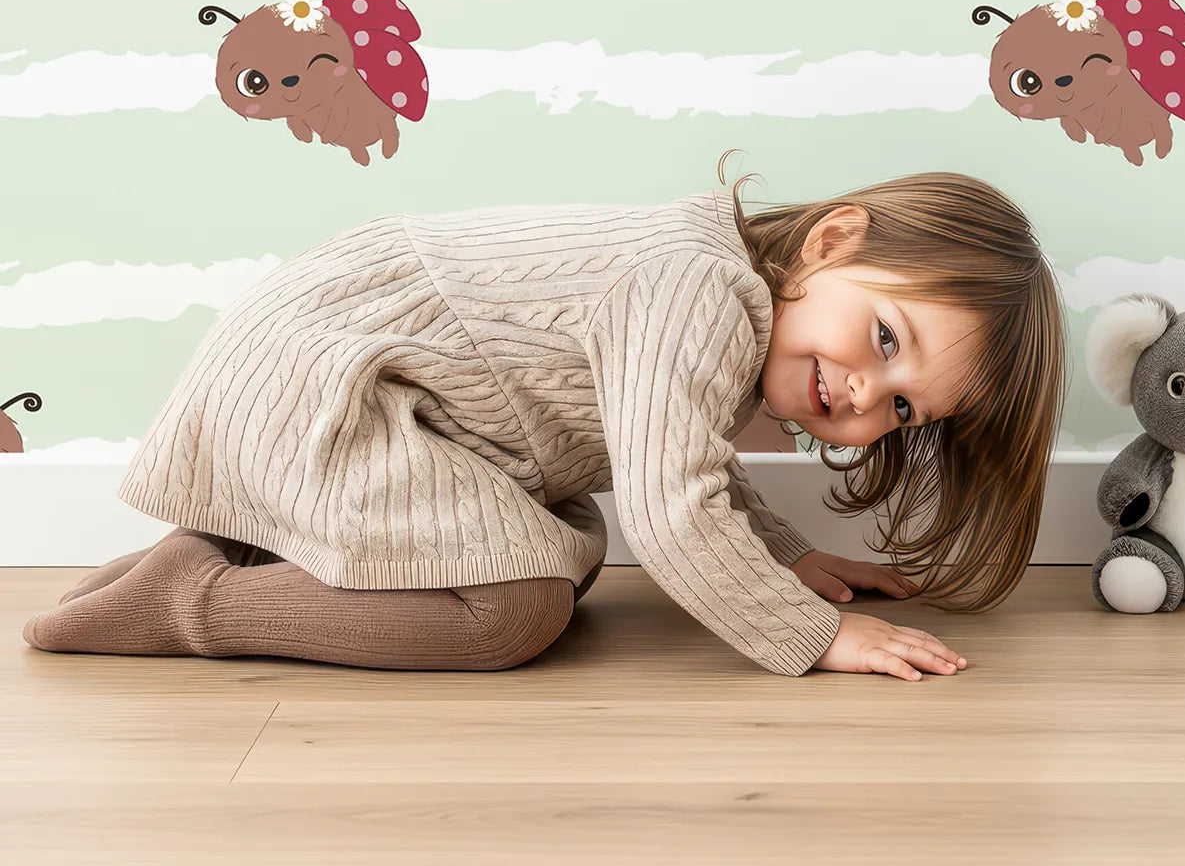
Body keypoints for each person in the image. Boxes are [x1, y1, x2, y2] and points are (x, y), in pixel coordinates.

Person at [23, 153, 1067, 681]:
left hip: (356, 391)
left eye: (899, 410)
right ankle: (193, 599)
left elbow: (686, 454)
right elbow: (671, 506)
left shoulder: (728, 295)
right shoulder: (697, 287)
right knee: (516, 607)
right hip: (326, 381)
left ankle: (241, 547)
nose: (861, 398)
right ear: (833, 240)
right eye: (883, 342)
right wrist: (815, 632)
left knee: (562, 544)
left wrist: (786, 553)